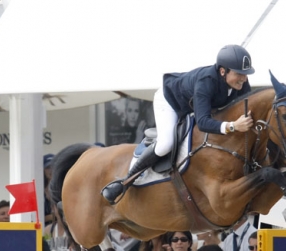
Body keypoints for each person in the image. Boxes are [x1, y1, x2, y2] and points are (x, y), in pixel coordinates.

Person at [102, 44, 255, 204]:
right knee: (165, 144)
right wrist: (232, 126)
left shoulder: (241, 83)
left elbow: (248, 107)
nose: (244, 78)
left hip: (192, 105)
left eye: (245, 74)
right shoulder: (206, 82)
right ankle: (127, 180)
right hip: (170, 101)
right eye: (239, 74)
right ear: (223, 71)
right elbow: (203, 122)